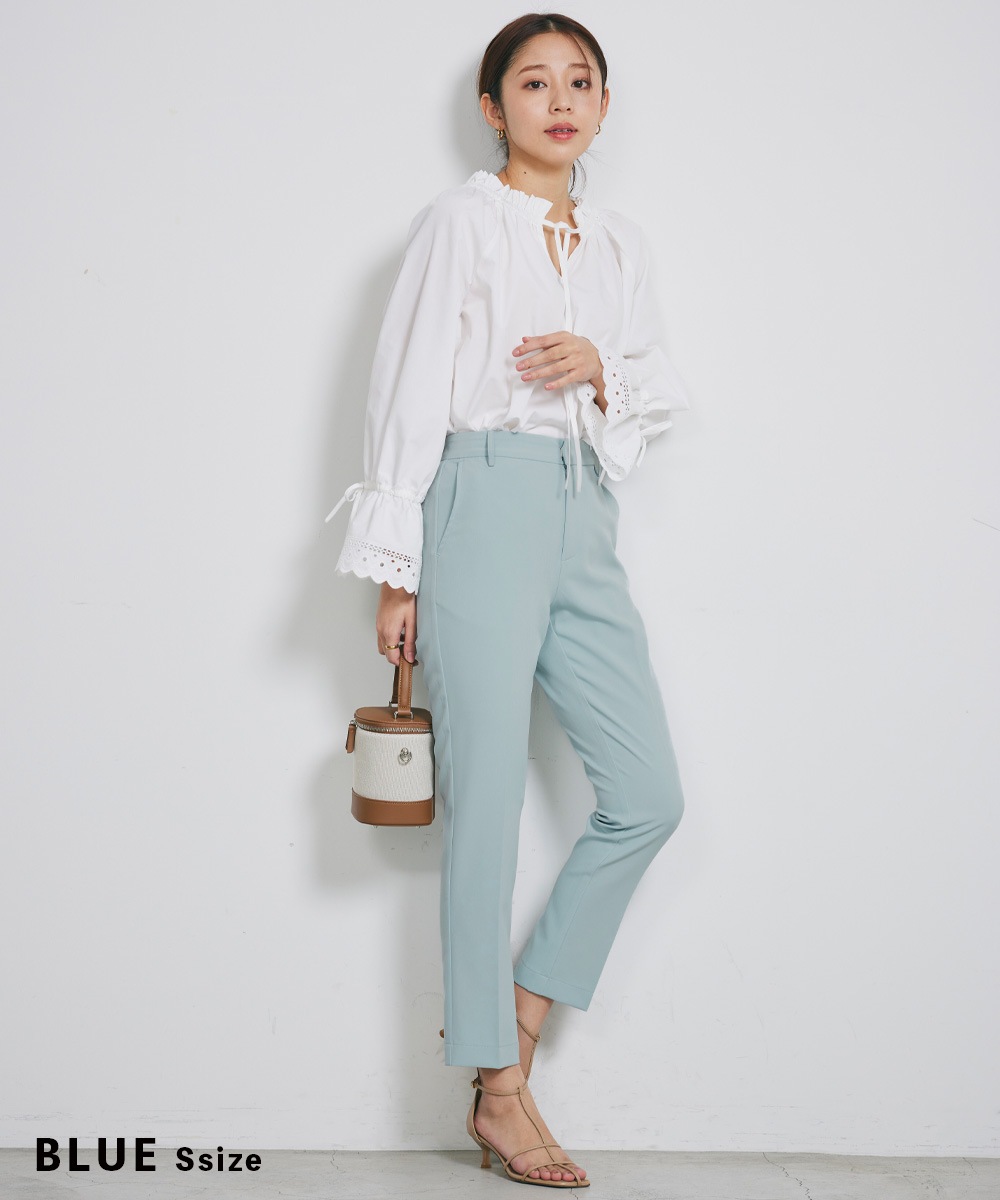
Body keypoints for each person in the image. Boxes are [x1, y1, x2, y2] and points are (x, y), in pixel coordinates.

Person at [324, 12, 689, 1189]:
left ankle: (518, 1014)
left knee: (648, 796)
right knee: (483, 805)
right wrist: (398, 570)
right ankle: (496, 1088)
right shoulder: (461, 222)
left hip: (585, 515)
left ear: (603, 104)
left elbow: (650, 388)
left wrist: (600, 370)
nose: (559, 100)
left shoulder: (619, 243)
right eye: (533, 82)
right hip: (477, 504)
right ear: (493, 109)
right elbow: (407, 386)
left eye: (580, 81)